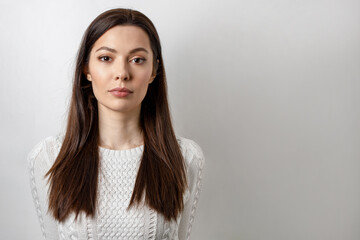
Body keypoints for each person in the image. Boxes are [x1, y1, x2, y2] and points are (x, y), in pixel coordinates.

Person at [27, 8, 205, 240]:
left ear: (154, 71)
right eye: (106, 58)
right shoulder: (49, 157)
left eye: (137, 60)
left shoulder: (186, 157)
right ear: (86, 68)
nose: (122, 73)